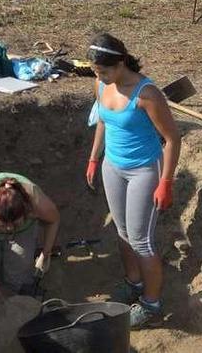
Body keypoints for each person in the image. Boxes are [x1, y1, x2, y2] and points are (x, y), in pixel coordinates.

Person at [84, 33, 181, 328]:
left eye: (104, 71)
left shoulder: (146, 94)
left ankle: (151, 305)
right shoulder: (101, 84)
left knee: (141, 240)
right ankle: (134, 283)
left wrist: (166, 181)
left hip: (143, 170)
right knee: (123, 232)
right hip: (112, 166)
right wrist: (93, 158)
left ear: (121, 62)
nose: (100, 76)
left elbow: (172, 138)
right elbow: (102, 120)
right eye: (96, 72)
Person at [0, 172, 60, 301]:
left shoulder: (37, 204)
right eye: (4, 225)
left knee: (19, 277)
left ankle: (12, 293)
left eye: (14, 224)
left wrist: (45, 253)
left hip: (24, 230)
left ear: (26, 211)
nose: (9, 229)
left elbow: (54, 220)